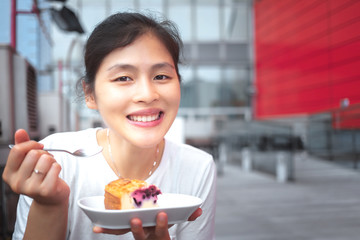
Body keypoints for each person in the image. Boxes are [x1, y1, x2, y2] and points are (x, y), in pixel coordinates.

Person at [3, 12, 217, 240]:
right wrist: (50, 205)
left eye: (162, 76)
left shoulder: (198, 168)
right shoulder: (56, 160)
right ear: (90, 94)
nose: (147, 94)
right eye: (123, 78)